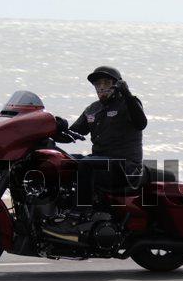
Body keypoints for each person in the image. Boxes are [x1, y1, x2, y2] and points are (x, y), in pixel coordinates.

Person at [43, 66, 147, 239]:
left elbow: (141, 123)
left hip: (126, 166)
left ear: (117, 85)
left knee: (85, 163)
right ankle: (58, 212)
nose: (102, 87)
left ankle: (77, 217)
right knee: (64, 161)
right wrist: (52, 129)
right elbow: (72, 134)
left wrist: (127, 93)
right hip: (101, 162)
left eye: (107, 83)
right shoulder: (93, 109)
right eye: (98, 84)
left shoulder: (128, 103)